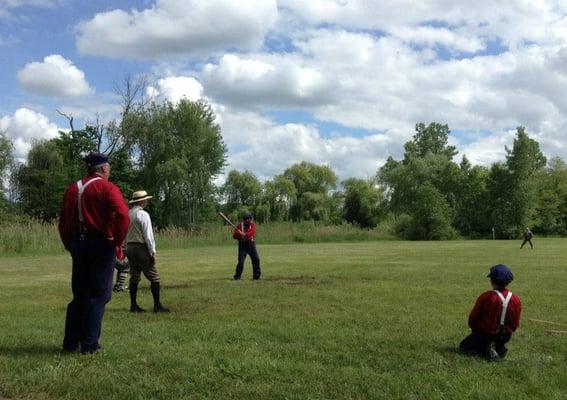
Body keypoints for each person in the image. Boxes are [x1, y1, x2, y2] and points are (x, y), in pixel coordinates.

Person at [58, 152, 130, 354]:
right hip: (100, 244)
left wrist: (69, 244)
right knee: (98, 295)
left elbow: (63, 222)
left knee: (79, 295)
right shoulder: (107, 187)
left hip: (78, 244)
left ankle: (71, 343)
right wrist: (116, 241)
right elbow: (123, 215)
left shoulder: (72, 189)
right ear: (104, 168)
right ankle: (90, 345)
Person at [459, 264, 522, 361]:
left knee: (464, 346)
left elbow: (473, 318)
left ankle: (487, 349)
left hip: (486, 334)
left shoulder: (486, 297)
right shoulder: (516, 299)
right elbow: (515, 322)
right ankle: (498, 347)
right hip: (506, 335)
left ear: (491, 280)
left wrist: (475, 329)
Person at [125, 190, 169, 313]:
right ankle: (157, 306)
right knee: (154, 277)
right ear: (142, 201)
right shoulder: (143, 214)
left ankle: (133, 306)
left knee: (134, 277)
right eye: (146, 199)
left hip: (129, 247)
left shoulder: (128, 214)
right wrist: (152, 252)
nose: (147, 201)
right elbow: (148, 236)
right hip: (140, 248)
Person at [233, 212, 261, 280]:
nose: (251, 220)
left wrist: (244, 234)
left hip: (251, 244)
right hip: (243, 245)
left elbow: (252, 232)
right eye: (250, 219)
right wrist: (238, 233)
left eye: (251, 219)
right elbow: (234, 236)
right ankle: (237, 277)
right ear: (246, 220)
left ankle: (256, 276)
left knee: (256, 259)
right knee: (241, 261)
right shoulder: (239, 226)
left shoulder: (252, 225)